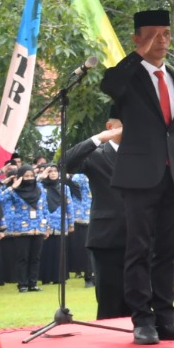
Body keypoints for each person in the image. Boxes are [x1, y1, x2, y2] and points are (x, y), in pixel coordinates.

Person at [99, 9, 174, 345]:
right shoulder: (128, 78)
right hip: (140, 177)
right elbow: (109, 84)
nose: (162, 41)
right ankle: (142, 320)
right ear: (137, 39)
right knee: (139, 249)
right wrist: (138, 55)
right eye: (154, 34)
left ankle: (165, 319)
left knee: (169, 250)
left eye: (167, 34)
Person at [63, 120, 130, 318]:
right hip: (107, 234)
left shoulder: (142, 154)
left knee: (141, 291)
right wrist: (97, 139)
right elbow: (65, 162)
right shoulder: (96, 155)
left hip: (141, 232)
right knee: (109, 293)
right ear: (111, 126)